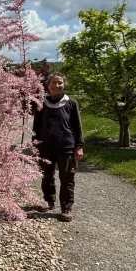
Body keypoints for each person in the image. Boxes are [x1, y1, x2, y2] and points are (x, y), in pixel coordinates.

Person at [32, 72, 84, 222]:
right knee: (46, 176)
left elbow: (77, 126)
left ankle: (66, 208)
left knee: (67, 178)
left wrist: (79, 146)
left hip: (66, 148)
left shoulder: (71, 103)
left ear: (63, 85)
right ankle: (48, 201)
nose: (57, 85)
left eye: (60, 82)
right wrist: (34, 145)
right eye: (53, 82)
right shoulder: (42, 103)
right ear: (48, 86)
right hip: (45, 148)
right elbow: (36, 127)